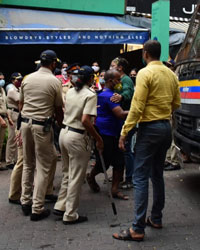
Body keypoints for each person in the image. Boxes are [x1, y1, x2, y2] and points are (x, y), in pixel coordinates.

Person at [113, 40, 181, 241]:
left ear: (145, 53)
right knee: (157, 175)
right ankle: (156, 218)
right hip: (165, 128)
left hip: (149, 129)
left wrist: (125, 131)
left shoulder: (145, 73)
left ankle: (137, 228)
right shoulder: (170, 74)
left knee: (141, 177)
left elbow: (137, 106)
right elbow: (176, 103)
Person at [53, 66, 103, 224]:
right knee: (75, 177)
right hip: (77, 136)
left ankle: (61, 205)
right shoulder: (90, 94)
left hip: (64, 133)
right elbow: (85, 121)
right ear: (90, 79)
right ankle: (70, 214)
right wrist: (98, 138)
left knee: (67, 173)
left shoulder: (70, 92)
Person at [19, 49, 63, 221]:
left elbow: (21, 103)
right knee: (43, 166)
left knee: (28, 164)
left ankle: (25, 201)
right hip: (41, 127)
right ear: (53, 63)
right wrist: (62, 125)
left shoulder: (27, 78)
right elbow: (58, 109)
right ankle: (37, 208)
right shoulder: (54, 81)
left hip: (25, 123)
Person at [86, 69, 129, 199]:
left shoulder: (110, 94)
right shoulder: (108, 96)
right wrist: (136, 111)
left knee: (119, 162)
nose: (120, 82)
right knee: (102, 163)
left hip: (115, 133)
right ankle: (91, 176)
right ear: (110, 81)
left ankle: (114, 189)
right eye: (118, 80)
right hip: (105, 134)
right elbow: (120, 114)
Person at [110, 57, 135, 189]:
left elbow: (128, 92)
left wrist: (121, 96)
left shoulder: (126, 80)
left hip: (126, 119)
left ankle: (129, 178)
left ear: (120, 68)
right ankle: (118, 176)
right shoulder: (117, 80)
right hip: (119, 118)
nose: (110, 68)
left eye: (112, 66)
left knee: (126, 149)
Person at [6, 72, 23, 170]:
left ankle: (15, 159)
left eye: (20, 80)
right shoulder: (12, 90)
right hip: (13, 113)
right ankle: (9, 161)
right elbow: (20, 100)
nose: (20, 82)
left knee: (17, 137)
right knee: (12, 138)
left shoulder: (18, 89)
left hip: (18, 113)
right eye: (18, 80)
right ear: (13, 80)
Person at [0, 72, 13, 171]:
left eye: (3, 79)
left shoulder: (2, 90)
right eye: (0, 79)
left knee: (0, 143)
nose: (2, 81)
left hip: (4, 117)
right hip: (0, 118)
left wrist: (8, 118)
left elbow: (5, 105)